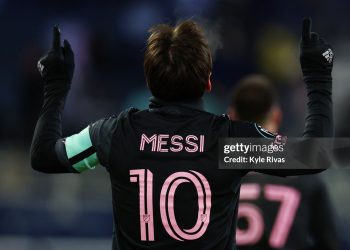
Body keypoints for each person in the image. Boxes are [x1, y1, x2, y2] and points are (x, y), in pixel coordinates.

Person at [30, 18, 333, 250]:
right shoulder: (229, 143)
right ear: (208, 83)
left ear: (149, 82)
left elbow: (44, 155)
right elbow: (314, 155)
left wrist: (56, 86)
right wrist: (318, 77)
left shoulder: (114, 134)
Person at [227, 75, 338, 250]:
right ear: (277, 117)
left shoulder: (213, 170)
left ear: (231, 116)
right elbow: (330, 242)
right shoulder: (304, 172)